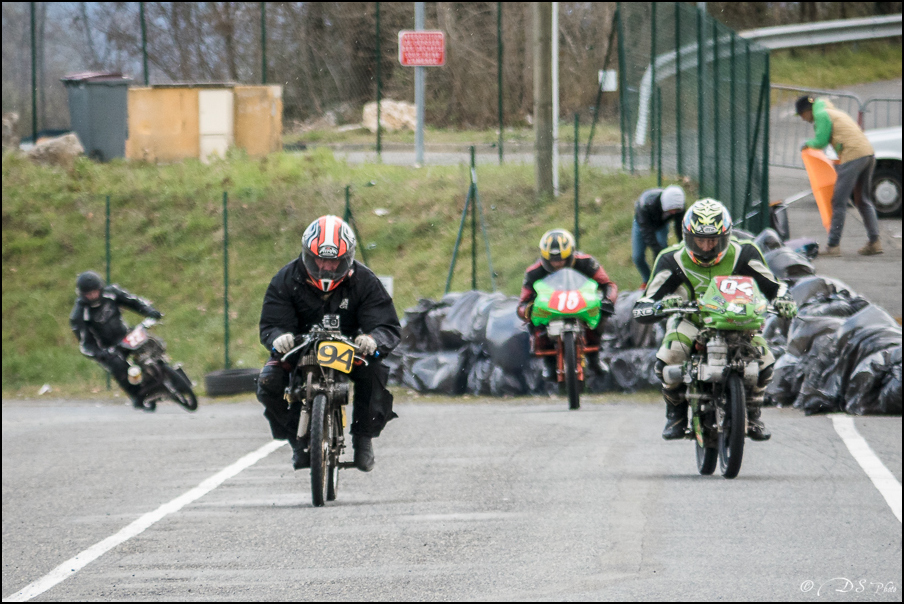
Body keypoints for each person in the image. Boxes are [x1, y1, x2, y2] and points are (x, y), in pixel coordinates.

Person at [632, 199, 798, 441]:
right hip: (690, 320)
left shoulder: (746, 253)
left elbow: (775, 286)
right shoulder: (671, 259)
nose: (707, 247)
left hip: (738, 322)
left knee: (765, 362)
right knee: (669, 358)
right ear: (687, 237)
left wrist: (784, 300)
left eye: (714, 240)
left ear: (727, 236)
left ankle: (752, 412)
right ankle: (676, 412)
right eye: (700, 240)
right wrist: (659, 305)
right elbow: (645, 301)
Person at [256, 215, 401, 473]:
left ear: (346, 258)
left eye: (333, 261)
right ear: (307, 255)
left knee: (375, 371)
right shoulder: (286, 279)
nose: (326, 266)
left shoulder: (365, 281)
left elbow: (386, 325)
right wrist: (278, 336)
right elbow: (271, 323)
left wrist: (372, 339)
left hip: (350, 349)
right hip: (301, 349)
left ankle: (364, 438)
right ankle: (295, 441)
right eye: (320, 259)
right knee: (268, 381)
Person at [516, 228, 618, 379]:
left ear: (571, 254)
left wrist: (608, 301)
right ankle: (548, 362)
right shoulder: (534, 272)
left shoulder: (587, 262)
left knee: (602, 313)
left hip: (582, 304)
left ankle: (594, 356)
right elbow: (523, 301)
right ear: (544, 257)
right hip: (550, 309)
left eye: (561, 259)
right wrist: (527, 311)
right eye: (553, 260)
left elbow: (608, 285)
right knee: (534, 321)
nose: (557, 264)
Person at [796, 95, 883, 257]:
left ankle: (833, 246)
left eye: (801, 115)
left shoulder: (821, 115)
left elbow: (820, 142)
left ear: (806, 111)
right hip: (867, 154)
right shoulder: (832, 111)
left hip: (853, 156)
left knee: (838, 201)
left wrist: (807, 143)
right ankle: (875, 242)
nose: (803, 119)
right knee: (863, 200)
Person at [69, 271, 163, 410]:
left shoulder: (111, 293)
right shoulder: (79, 315)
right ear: (82, 294)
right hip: (106, 348)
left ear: (101, 288)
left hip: (124, 335)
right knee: (118, 366)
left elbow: (133, 301)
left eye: (95, 291)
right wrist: (101, 353)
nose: (93, 296)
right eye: (89, 294)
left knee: (150, 343)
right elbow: (85, 344)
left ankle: (164, 370)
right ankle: (137, 396)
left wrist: (149, 311)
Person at [632, 184, 686, 287]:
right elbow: (646, 232)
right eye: (671, 210)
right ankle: (647, 280)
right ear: (664, 205)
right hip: (642, 224)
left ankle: (660, 280)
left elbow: (680, 226)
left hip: (661, 224)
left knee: (662, 252)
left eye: (676, 210)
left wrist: (682, 243)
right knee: (637, 256)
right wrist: (657, 249)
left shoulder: (679, 206)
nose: (674, 212)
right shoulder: (646, 205)